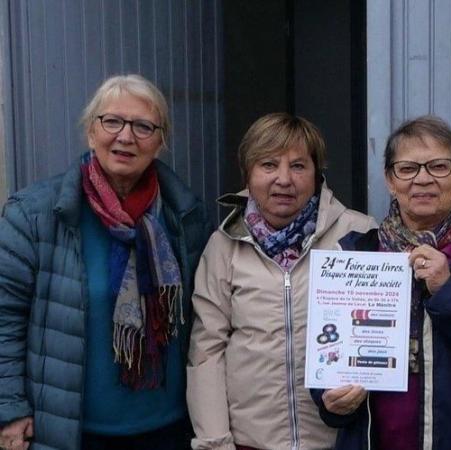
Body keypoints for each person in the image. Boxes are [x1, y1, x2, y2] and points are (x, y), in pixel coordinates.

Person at [0, 74, 211, 450]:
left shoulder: (185, 217)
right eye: (111, 121)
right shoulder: (34, 215)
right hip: (73, 433)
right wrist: (10, 410)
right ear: (90, 132)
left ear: (161, 141)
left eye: (143, 126)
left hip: (170, 430)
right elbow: (4, 318)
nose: (126, 137)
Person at [311, 116, 451, 449]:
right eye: (407, 169)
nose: (422, 179)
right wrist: (330, 400)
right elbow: (327, 355)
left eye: (438, 166)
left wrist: (448, 290)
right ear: (390, 180)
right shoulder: (354, 255)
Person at [186, 112, 376, 450]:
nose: (284, 179)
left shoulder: (358, 233)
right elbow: (207, 351)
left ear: (318, 174)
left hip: (338, 439)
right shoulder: (224, 245)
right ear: (248, 174)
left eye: (299, 166)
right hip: (250, 442)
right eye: (269, 165)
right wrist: (215, 443)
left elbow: (381, 335)